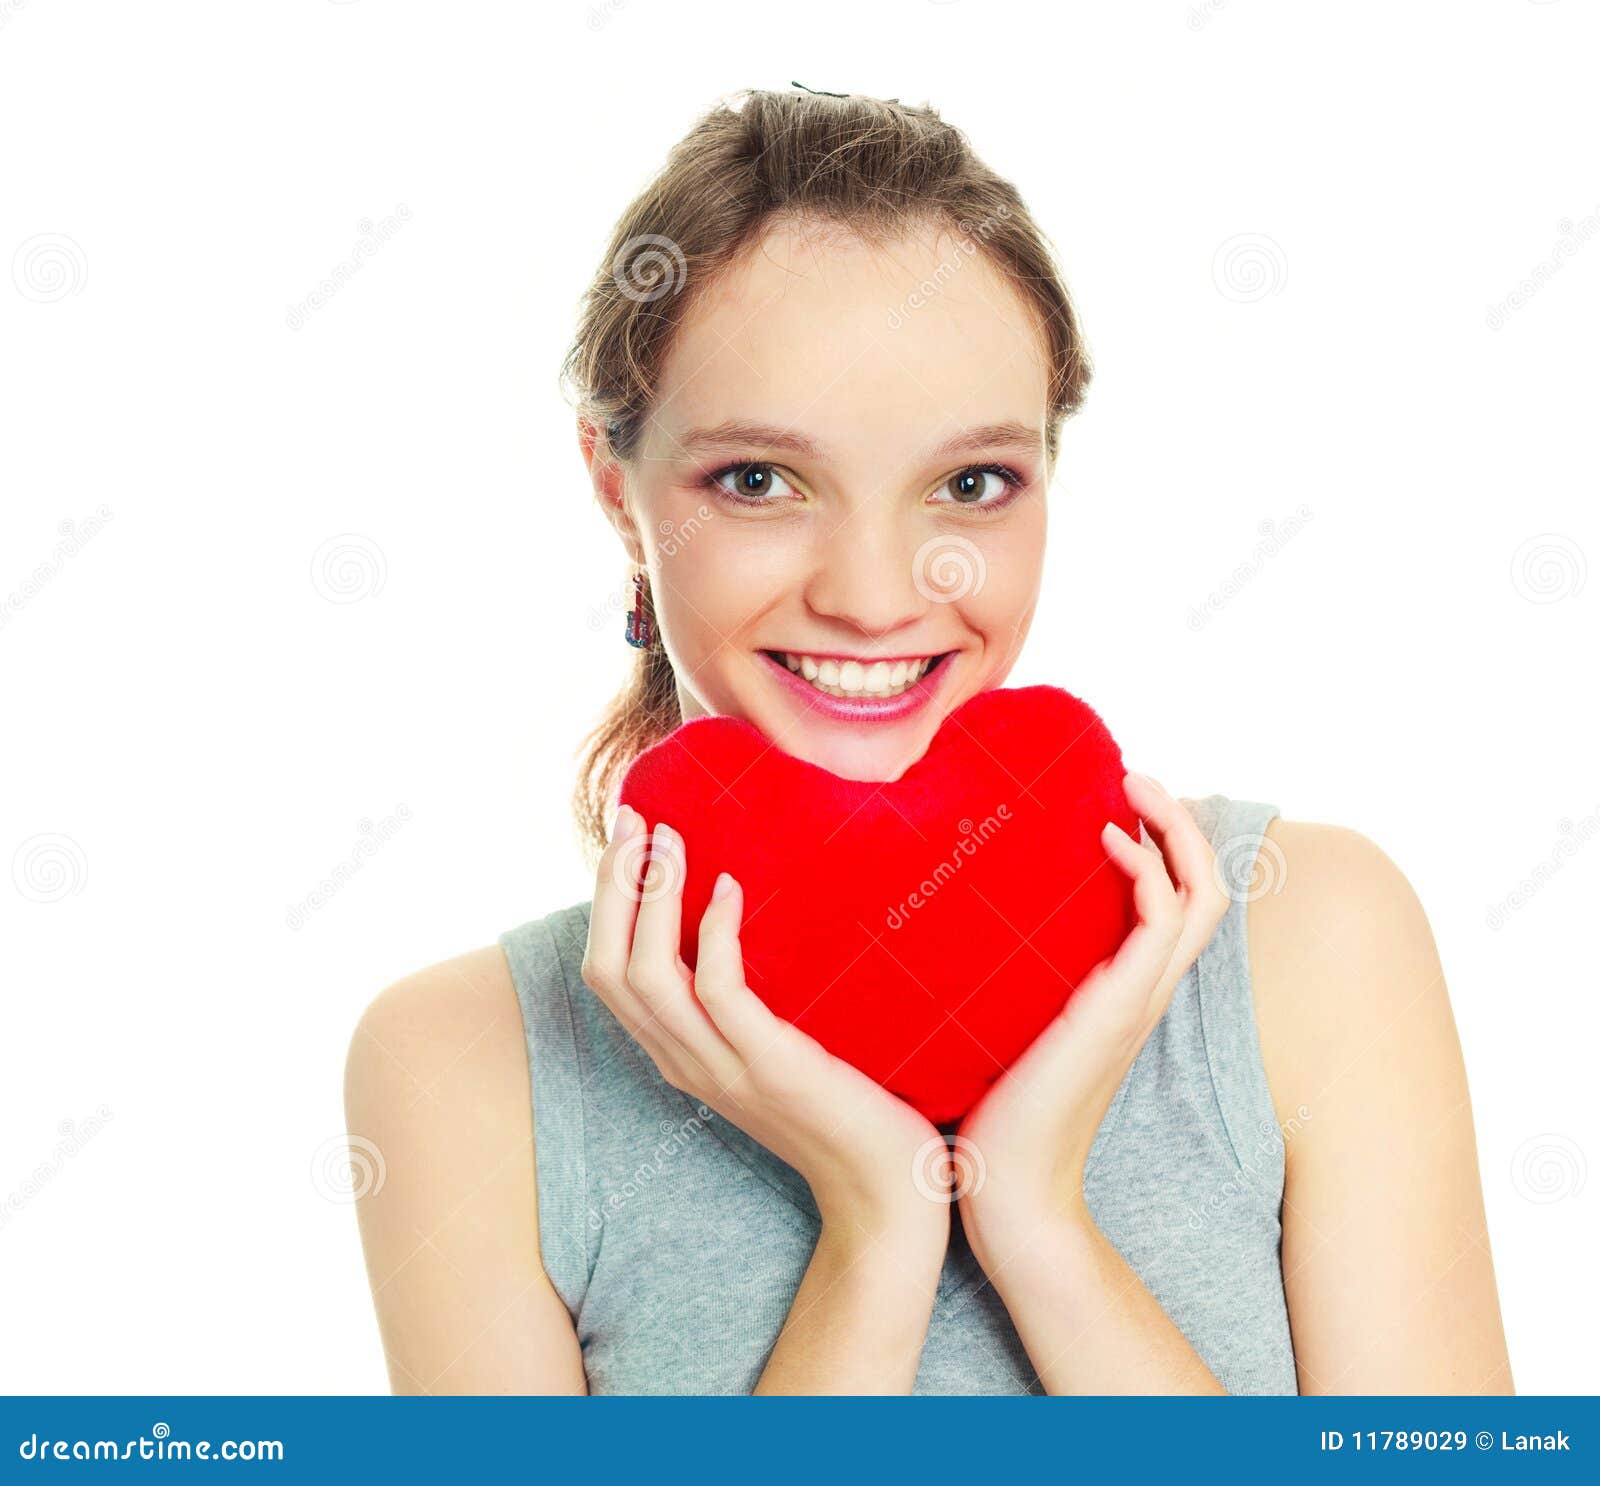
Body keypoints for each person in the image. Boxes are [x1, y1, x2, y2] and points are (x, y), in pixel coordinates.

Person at [345, 85, 1512, 1395]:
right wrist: (877, 1221)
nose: (875, 593)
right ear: (620, 498)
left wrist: (1037, 1218)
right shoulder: (464, 1068)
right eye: (758, 479)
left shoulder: (1310, 936)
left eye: (968, 483)